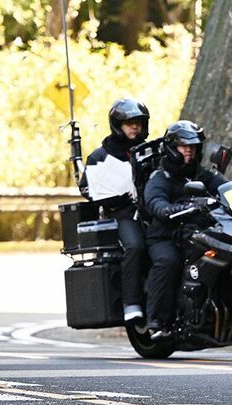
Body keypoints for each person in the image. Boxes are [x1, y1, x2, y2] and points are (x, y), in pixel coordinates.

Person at [142, 120, 227, 340]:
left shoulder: (201, 175)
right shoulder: (160, 177)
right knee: (168, 261)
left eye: (193, 146)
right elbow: (155, 201)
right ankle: (157, 322)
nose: (189, 150)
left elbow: (225, 188)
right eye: (183, 146)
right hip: (165, 236)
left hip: (196, 232)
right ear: (172, 148)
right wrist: (168, 209)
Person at [80, 98, 151, 323]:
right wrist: (110, 196)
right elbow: (86, 187)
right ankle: (132, 303)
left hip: (151, 211)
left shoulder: (149, 151)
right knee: (135, 246)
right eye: (129, 123)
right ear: (118, 125)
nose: (135, 127)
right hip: (121, 213)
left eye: (138, 123)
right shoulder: (100, 155)